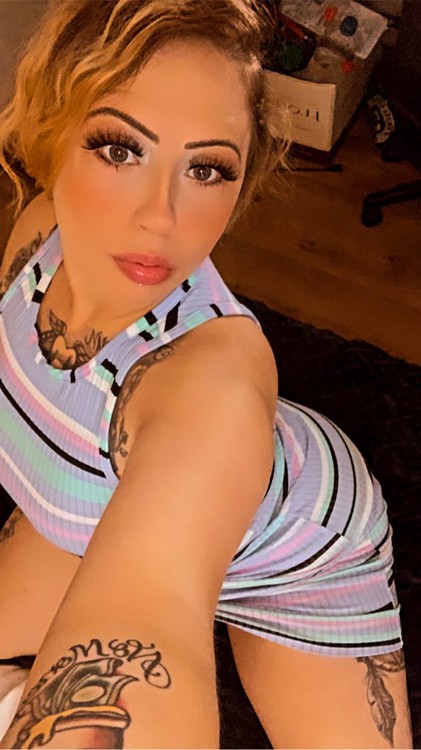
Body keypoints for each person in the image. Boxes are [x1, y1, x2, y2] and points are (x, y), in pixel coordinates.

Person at [0, 0, 413, 747]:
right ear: (53, 132)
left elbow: (146, 624)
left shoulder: (209, 386)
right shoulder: (35, 242)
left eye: (206, 168)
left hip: (299, 563)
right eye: (120, 149)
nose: (161, 216)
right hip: (81, 508)